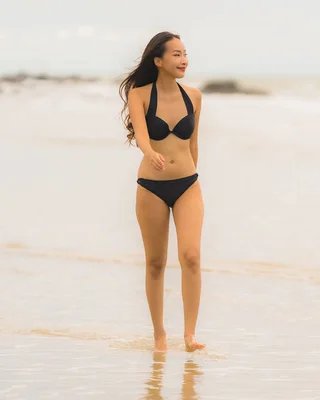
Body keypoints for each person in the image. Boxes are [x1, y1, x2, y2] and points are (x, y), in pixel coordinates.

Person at [118, 31, 205, 352]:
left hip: (187, 185)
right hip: (151, 187)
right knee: (155, 263)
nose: (183, 60)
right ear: (158, 61)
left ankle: (190, 335)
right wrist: (148, 153)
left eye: (185, 54)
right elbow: (142, 135)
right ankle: (159, 335)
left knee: (191, 256)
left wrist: (192, 175)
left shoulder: (194, 96)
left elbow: (194, 144)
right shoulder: (140, 95)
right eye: (176, 55)